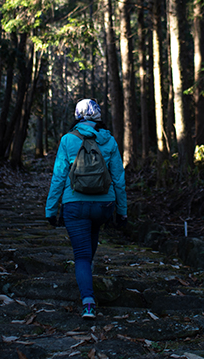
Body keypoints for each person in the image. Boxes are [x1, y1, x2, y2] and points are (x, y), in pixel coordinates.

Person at [45, 98, 127, 319]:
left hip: (74, 204)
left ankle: (88, 302)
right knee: (91, 240)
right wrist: (122, 211)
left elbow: (59, 177)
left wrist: (51, 210)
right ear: (98, 116)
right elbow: (119, 179)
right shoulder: (109, 141)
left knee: (81, 255)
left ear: (77, 116)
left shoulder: (67, 140)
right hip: (104, 205)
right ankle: (87, 281)